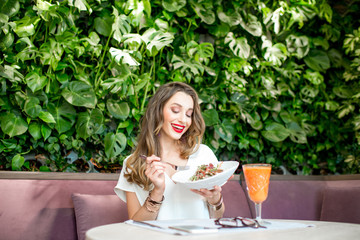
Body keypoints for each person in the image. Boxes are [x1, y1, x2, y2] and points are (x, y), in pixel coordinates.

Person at [114, 82, 225, 221]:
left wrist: (215, 200)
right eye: (175, 110)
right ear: (158, 111)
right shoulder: (134, 163)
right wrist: (157, 192)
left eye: (189, 114)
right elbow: (136, 226)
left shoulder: (203, 154)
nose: (183, 120)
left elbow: (217, 217)